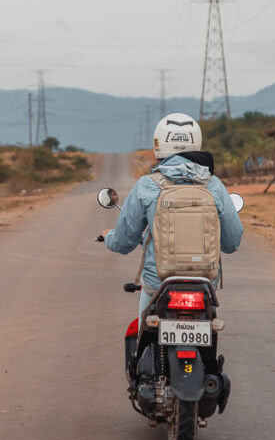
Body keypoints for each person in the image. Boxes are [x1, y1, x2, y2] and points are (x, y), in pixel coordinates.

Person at [102, 113, 244, 320]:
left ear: (159, 143)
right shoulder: (214, 185)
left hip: (158, 282)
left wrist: (109, 237)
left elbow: (124, 242)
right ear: (196, 142)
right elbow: (232, 243)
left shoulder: (147, 185)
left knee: (143, 328)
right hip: (204, 283)